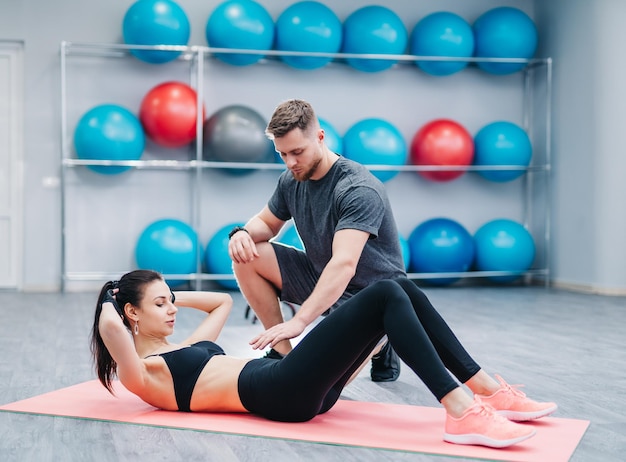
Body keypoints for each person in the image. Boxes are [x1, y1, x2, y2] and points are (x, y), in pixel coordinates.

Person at [91, 269, 557, 449]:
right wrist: (114, 296)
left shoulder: (179, 349)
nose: (173, 310)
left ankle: (486, 391)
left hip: (294, 386)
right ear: (131, 313)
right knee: (384, 293)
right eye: (160, 305)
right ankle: (460, 410)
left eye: (171, 302)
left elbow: (220, 302)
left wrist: (165, 293)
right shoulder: (142, 373)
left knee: (401, 288)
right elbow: (110, 327)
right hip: (278, 390)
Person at [228, 99, 405, 381]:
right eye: (282, 154)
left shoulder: (357, 188)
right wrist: (242, 234)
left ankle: (381, 340)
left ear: (320, 137)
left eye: (297, 152)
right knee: (248, 255)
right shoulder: (291, 179)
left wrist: (299, 322)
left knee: (320, 385)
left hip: (370, 297)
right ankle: (281, 352)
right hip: (322, 276)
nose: (290, 162)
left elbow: (344, 265)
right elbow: (265, 223)